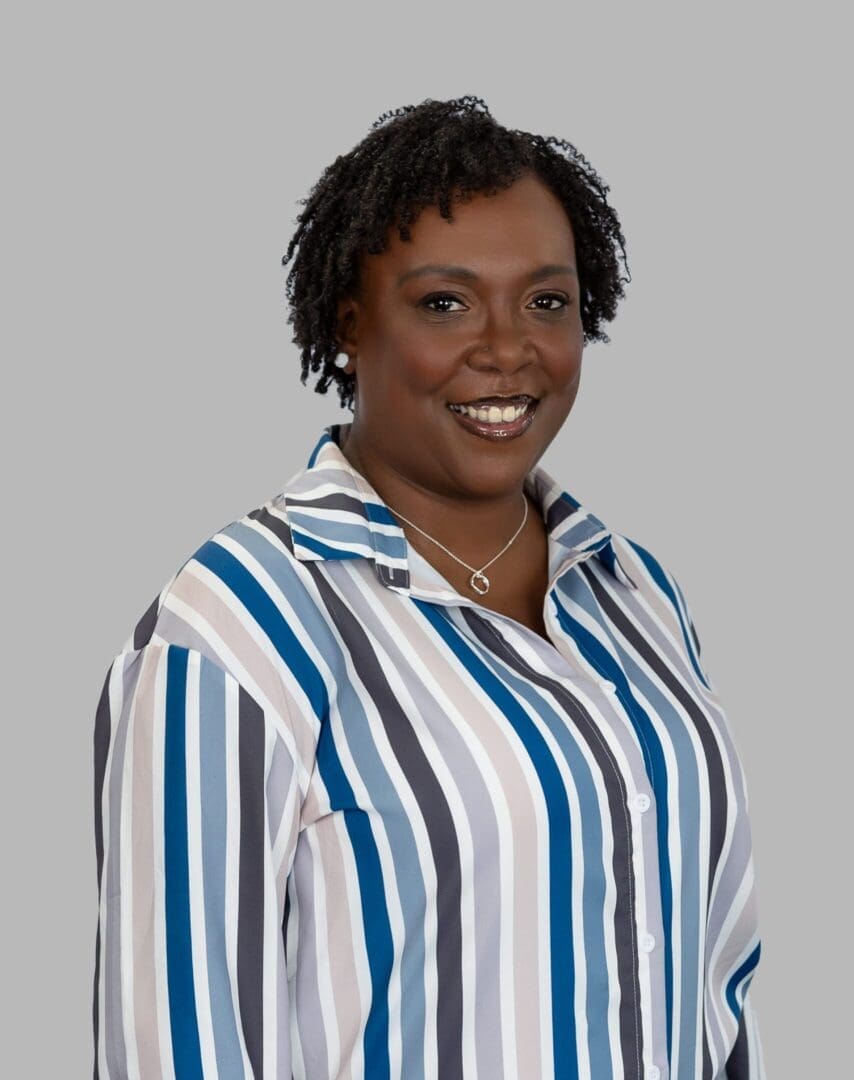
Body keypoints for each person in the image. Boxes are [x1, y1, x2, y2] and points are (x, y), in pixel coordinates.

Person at [91, 95, 765, 1079]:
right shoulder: (234, 627)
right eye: (445, 303)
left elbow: (717, 981)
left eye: (547, 301)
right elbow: (178, 1048)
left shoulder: (633, 593)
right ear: (347, 324)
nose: (506, 349)